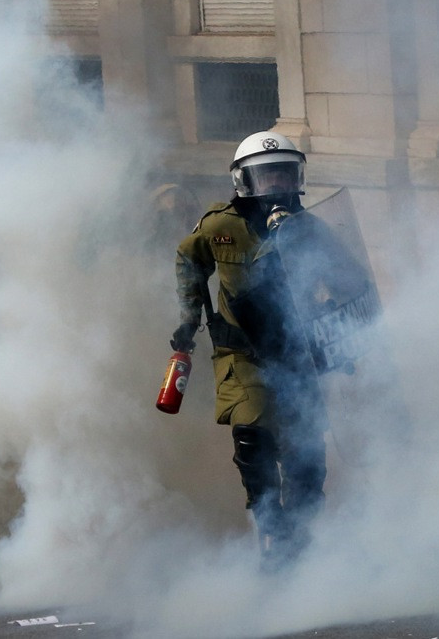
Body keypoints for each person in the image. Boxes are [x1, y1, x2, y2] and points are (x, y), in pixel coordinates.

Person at [172, 131, 344, 571]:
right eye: (267, 176)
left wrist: (344, 324)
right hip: (243, 355)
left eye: (285, 174)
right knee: (255, 436)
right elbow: (188, 259)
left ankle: (300, 541)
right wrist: (190, 317)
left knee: (307, 453)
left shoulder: (309, 228)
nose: (277, 184)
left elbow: (347, 279)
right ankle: (270, 531)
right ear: (245, 180)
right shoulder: (220, 225)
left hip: (297, 354)